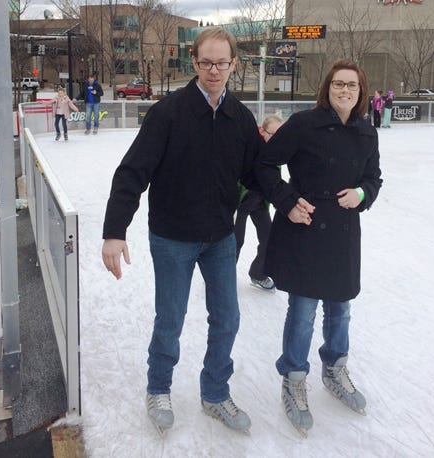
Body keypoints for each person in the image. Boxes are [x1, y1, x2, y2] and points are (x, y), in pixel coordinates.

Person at [101, 26, 261, 435]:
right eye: (205, 62)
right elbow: (132, 172)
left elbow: (259, 172)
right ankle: (158, 388)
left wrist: (293, 199)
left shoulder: (240, 118)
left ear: (233, 65)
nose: (213, 70)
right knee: (170, 318)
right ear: (194, 61)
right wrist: (115, 231)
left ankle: (215, 393)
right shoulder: (168, 113)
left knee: (227, 319)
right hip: (173, 237)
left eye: (221, 63)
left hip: (220, 239)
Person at [255, 59, 382, 435]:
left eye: (352, 86)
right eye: (339, 84)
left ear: (361, 92)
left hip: (343, 232)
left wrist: (362, 193)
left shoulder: (365, 131)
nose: (345, 91)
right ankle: (294, 377)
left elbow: (374, 178)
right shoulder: (304, 125)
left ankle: (335, 367)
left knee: (340, 308)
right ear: (327, 87)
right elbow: (265, 165)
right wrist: (288, 201)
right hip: (306, 228)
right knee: (304, 310)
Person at [234, 114, 282, 290]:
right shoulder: (250, 147)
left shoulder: (276, 153)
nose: (277, 139)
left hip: (260, 202)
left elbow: (274, 179)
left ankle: (258, 273)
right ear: (262, 131)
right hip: (240, 202)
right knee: (236, 240)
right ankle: (222, 277)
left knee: (269, 238)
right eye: (273, 134)